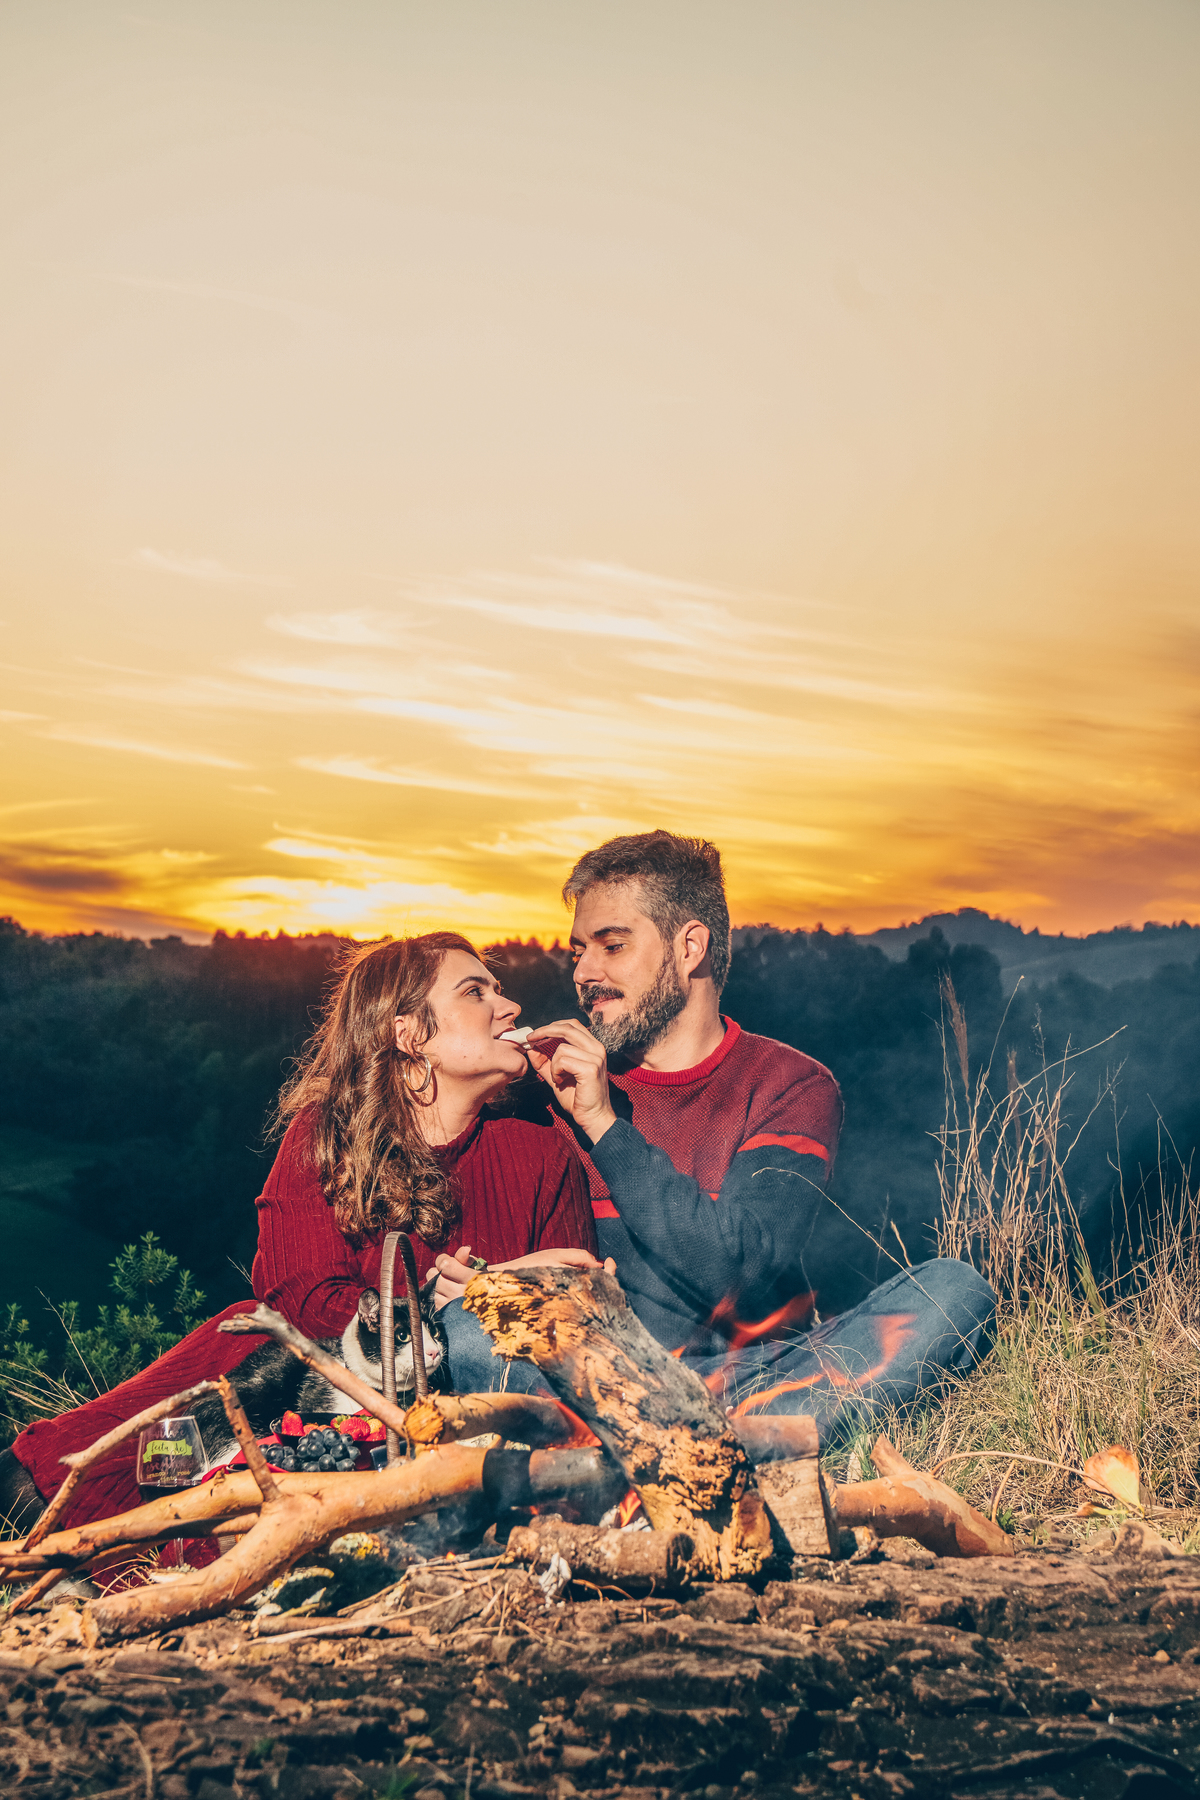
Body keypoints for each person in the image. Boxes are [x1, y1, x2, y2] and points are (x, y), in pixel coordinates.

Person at [4, 932, 600, 1535]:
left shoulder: (542, 1145)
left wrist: (496, 1301)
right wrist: (438, 1314)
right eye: (476, 991)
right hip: (322, 1393)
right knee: (245, 1342)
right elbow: (302, 1303)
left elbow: (581, 1320)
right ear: (408, 1035)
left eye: (499, 989)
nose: (509, 1007)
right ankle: (48, 1496)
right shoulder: (328, 1135)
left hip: (464, 1426)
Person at [434, 833, 996, 1444]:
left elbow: (739, 1272)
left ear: (690, 947)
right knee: (469, 1329)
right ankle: (730, 1449)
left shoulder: (789, 1084)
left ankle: (678, 1450)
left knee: (952, 1291)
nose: (584, 972)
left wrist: (604, 1126)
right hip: (600, 1378)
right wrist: (468, 1280)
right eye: (579, 952)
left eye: (612, 946)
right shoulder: (550, 1084)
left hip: (757, 1374)